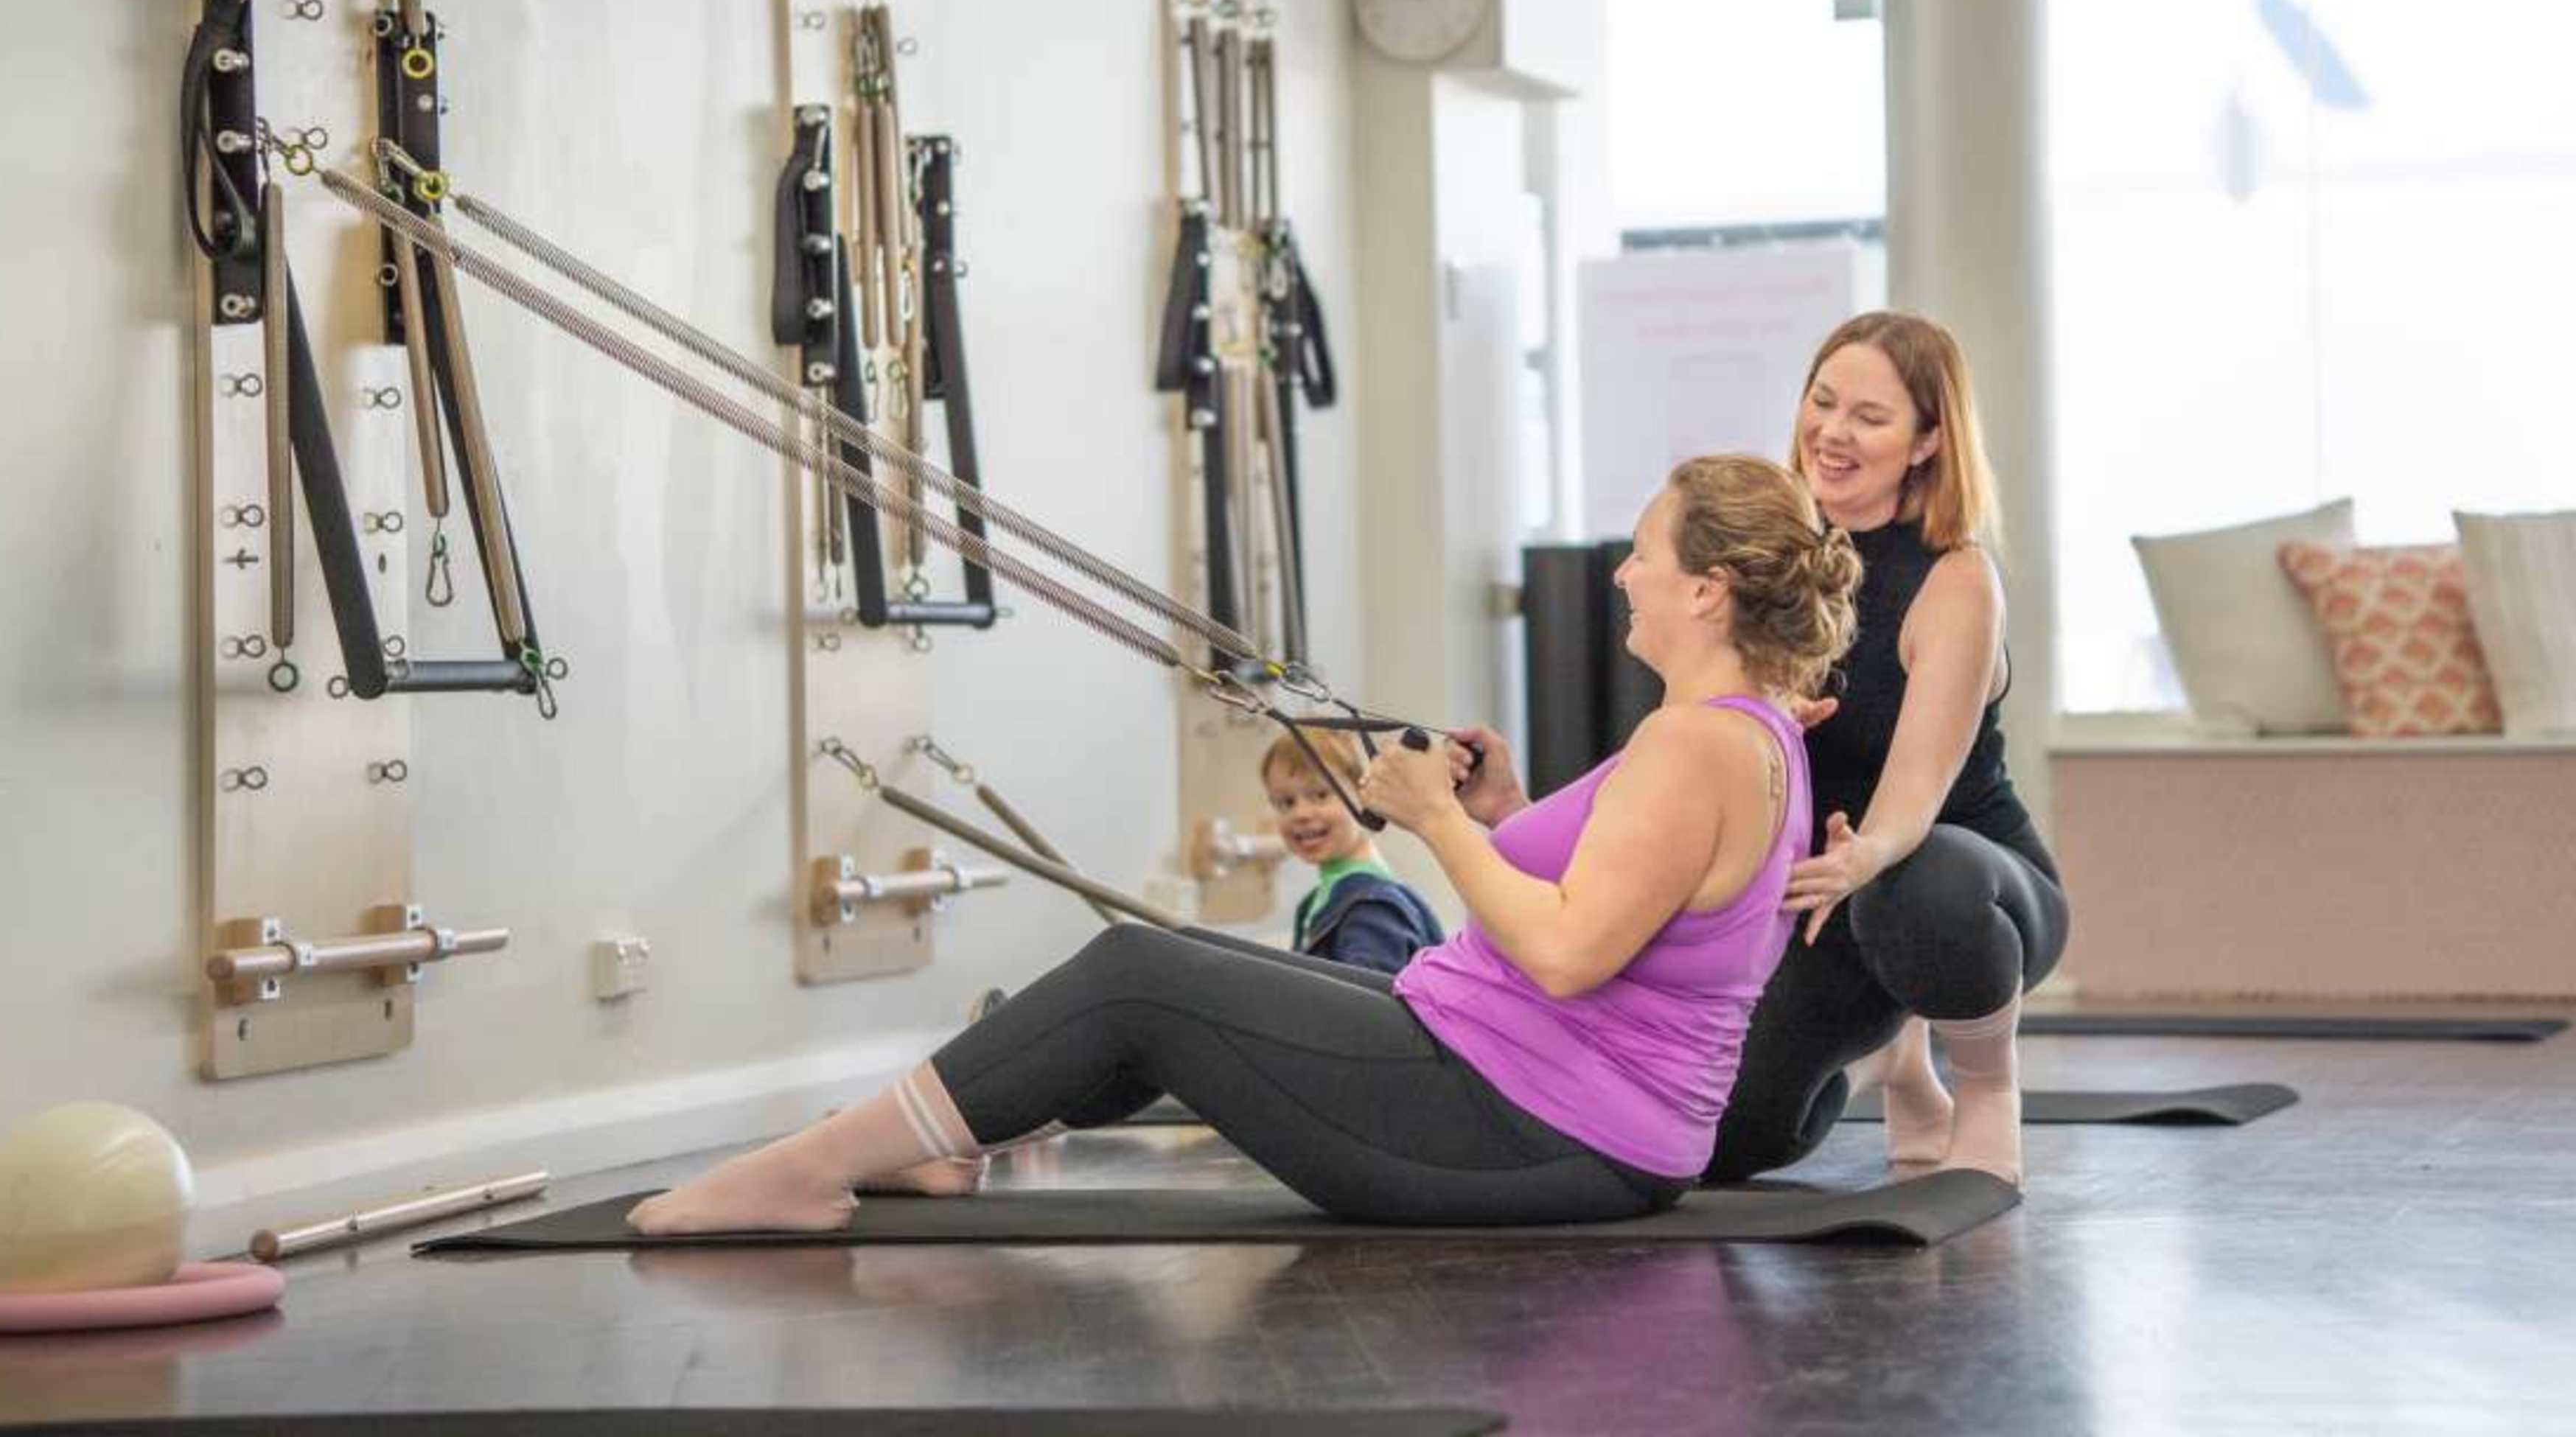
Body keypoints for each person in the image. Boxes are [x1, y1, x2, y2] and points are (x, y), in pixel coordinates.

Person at [629, 454, 1858, 1233]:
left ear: (1707, 591)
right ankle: (938, 1148)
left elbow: (1570, 953)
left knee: (1138, 978)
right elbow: (1623, 891)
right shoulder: (1737, 734)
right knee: (1176, 970)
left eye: (1648, 552)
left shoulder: (1695, 743)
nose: (1628, 572)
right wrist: (1501, 813)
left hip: (1535, 1130)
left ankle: (806, 1169)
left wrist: (1431, 821)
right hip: (1542, 1104)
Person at [1699, 310, 2070, 1189]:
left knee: (1917, 879)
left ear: (1927, 441)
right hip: (1827, 897)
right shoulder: (1771, 564)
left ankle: (1984, 1082)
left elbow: (1916, 787)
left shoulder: (1956, 578)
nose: (1831, 432)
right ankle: (1896, 1056)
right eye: (1821, 402)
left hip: (1963, 891)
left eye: (1869, 416)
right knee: (1725, 1139)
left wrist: (1865, 849)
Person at [1268, 728, 1444, 973]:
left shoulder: (1371, 907)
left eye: (1320, 795)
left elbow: (1364, 1009)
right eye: (1286, 802)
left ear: (1364, 793)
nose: (1301, 814)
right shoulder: (1318, 902)